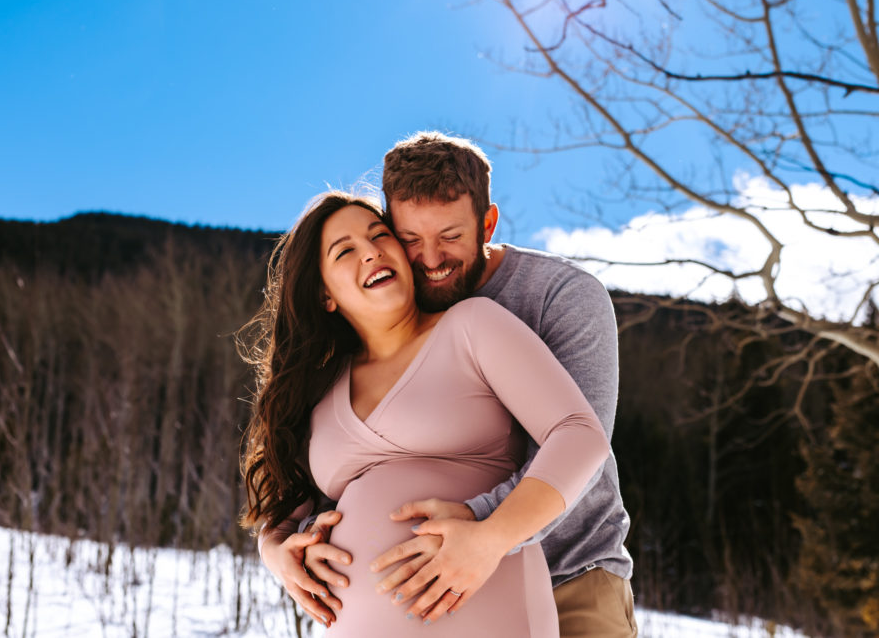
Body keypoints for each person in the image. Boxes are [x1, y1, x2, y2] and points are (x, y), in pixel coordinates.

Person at [263, 132, 637, 637]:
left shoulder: (553, 299)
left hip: (570, 572)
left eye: (451, 237)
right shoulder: (336, 371)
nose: (430, 259)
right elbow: (304, 493)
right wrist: (277, 549)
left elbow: (579, 440)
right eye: (410, 239)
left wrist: (483, 532)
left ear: (487, 224)